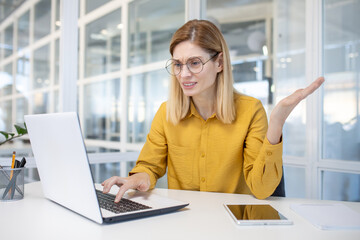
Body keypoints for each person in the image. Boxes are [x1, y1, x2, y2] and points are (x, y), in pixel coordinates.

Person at [102, 19, 324, 203]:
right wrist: (139, 178)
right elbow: (149, 166)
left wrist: (276, 123)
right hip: (184, 221)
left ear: (219, 63)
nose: (184, 74)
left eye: (195, 63)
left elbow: (262, 189)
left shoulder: (250, 111)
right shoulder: (166, 112)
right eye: (178, 64)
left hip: (233, 225)